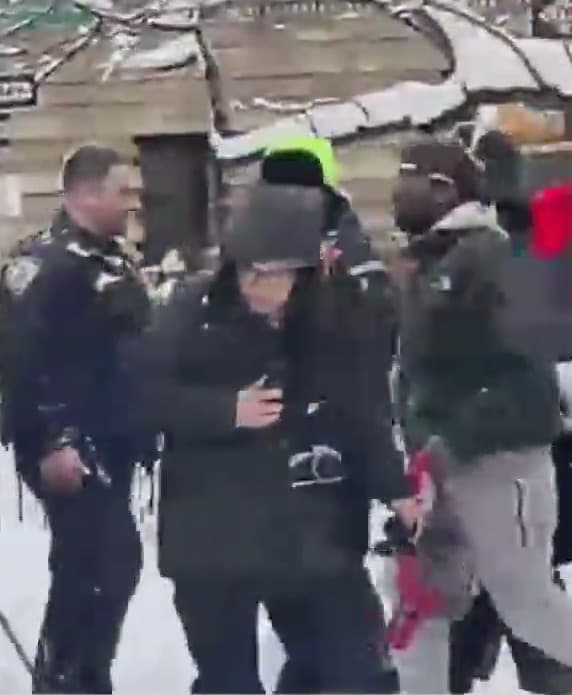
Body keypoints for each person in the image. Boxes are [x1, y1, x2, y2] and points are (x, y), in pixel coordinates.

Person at [123, 183, 416, 694]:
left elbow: (360, 410)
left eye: (274, 274)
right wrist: (224, 411)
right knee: (229, 679)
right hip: (214, 532)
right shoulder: (191, 310)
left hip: (310, 528)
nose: (259, 286)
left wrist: (395, 488)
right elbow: (137, 398)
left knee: (353, 670)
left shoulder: (333, 315)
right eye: (249, 271)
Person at [390, 137, 572, 692]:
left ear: (444, 188)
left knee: (527, 603)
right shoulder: (429, 260)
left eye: (406, 177)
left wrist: (455, 436)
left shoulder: (490, 257)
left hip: (500, 462)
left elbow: (531, 380)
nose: (395, 190)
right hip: (435, 469)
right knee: (419, 607)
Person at [0, 145, 151, 693]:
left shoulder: (110, 258)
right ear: (86, 193)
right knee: (99, 564)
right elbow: (23, 358)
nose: (135, 201)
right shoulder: (44, 263)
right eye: (123, 191)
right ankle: (64, 679)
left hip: (113, 437)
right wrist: (52, 439)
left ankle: (85, 676)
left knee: (102, 568)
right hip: (72, 441)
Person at [258, 136, 403, 693]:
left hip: (327, 455)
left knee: (341, 626)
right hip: (282, 462)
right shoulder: (280, 251)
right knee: (308, 629)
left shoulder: (344, 261)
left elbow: (359, 365)